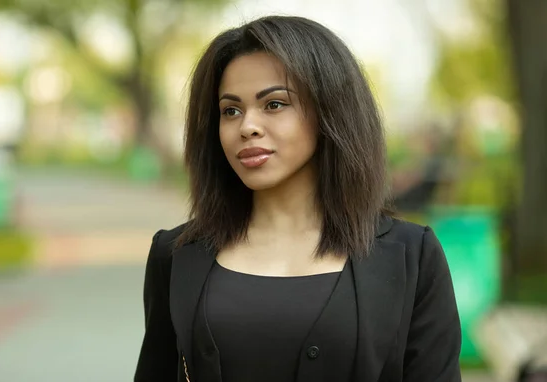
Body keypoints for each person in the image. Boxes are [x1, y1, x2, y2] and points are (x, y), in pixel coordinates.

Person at [134, 15, 462, 382]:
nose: (247, 126)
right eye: (231, 110)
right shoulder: (176, 254)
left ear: (331, 111)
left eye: (274, 104)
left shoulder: (412, 257)